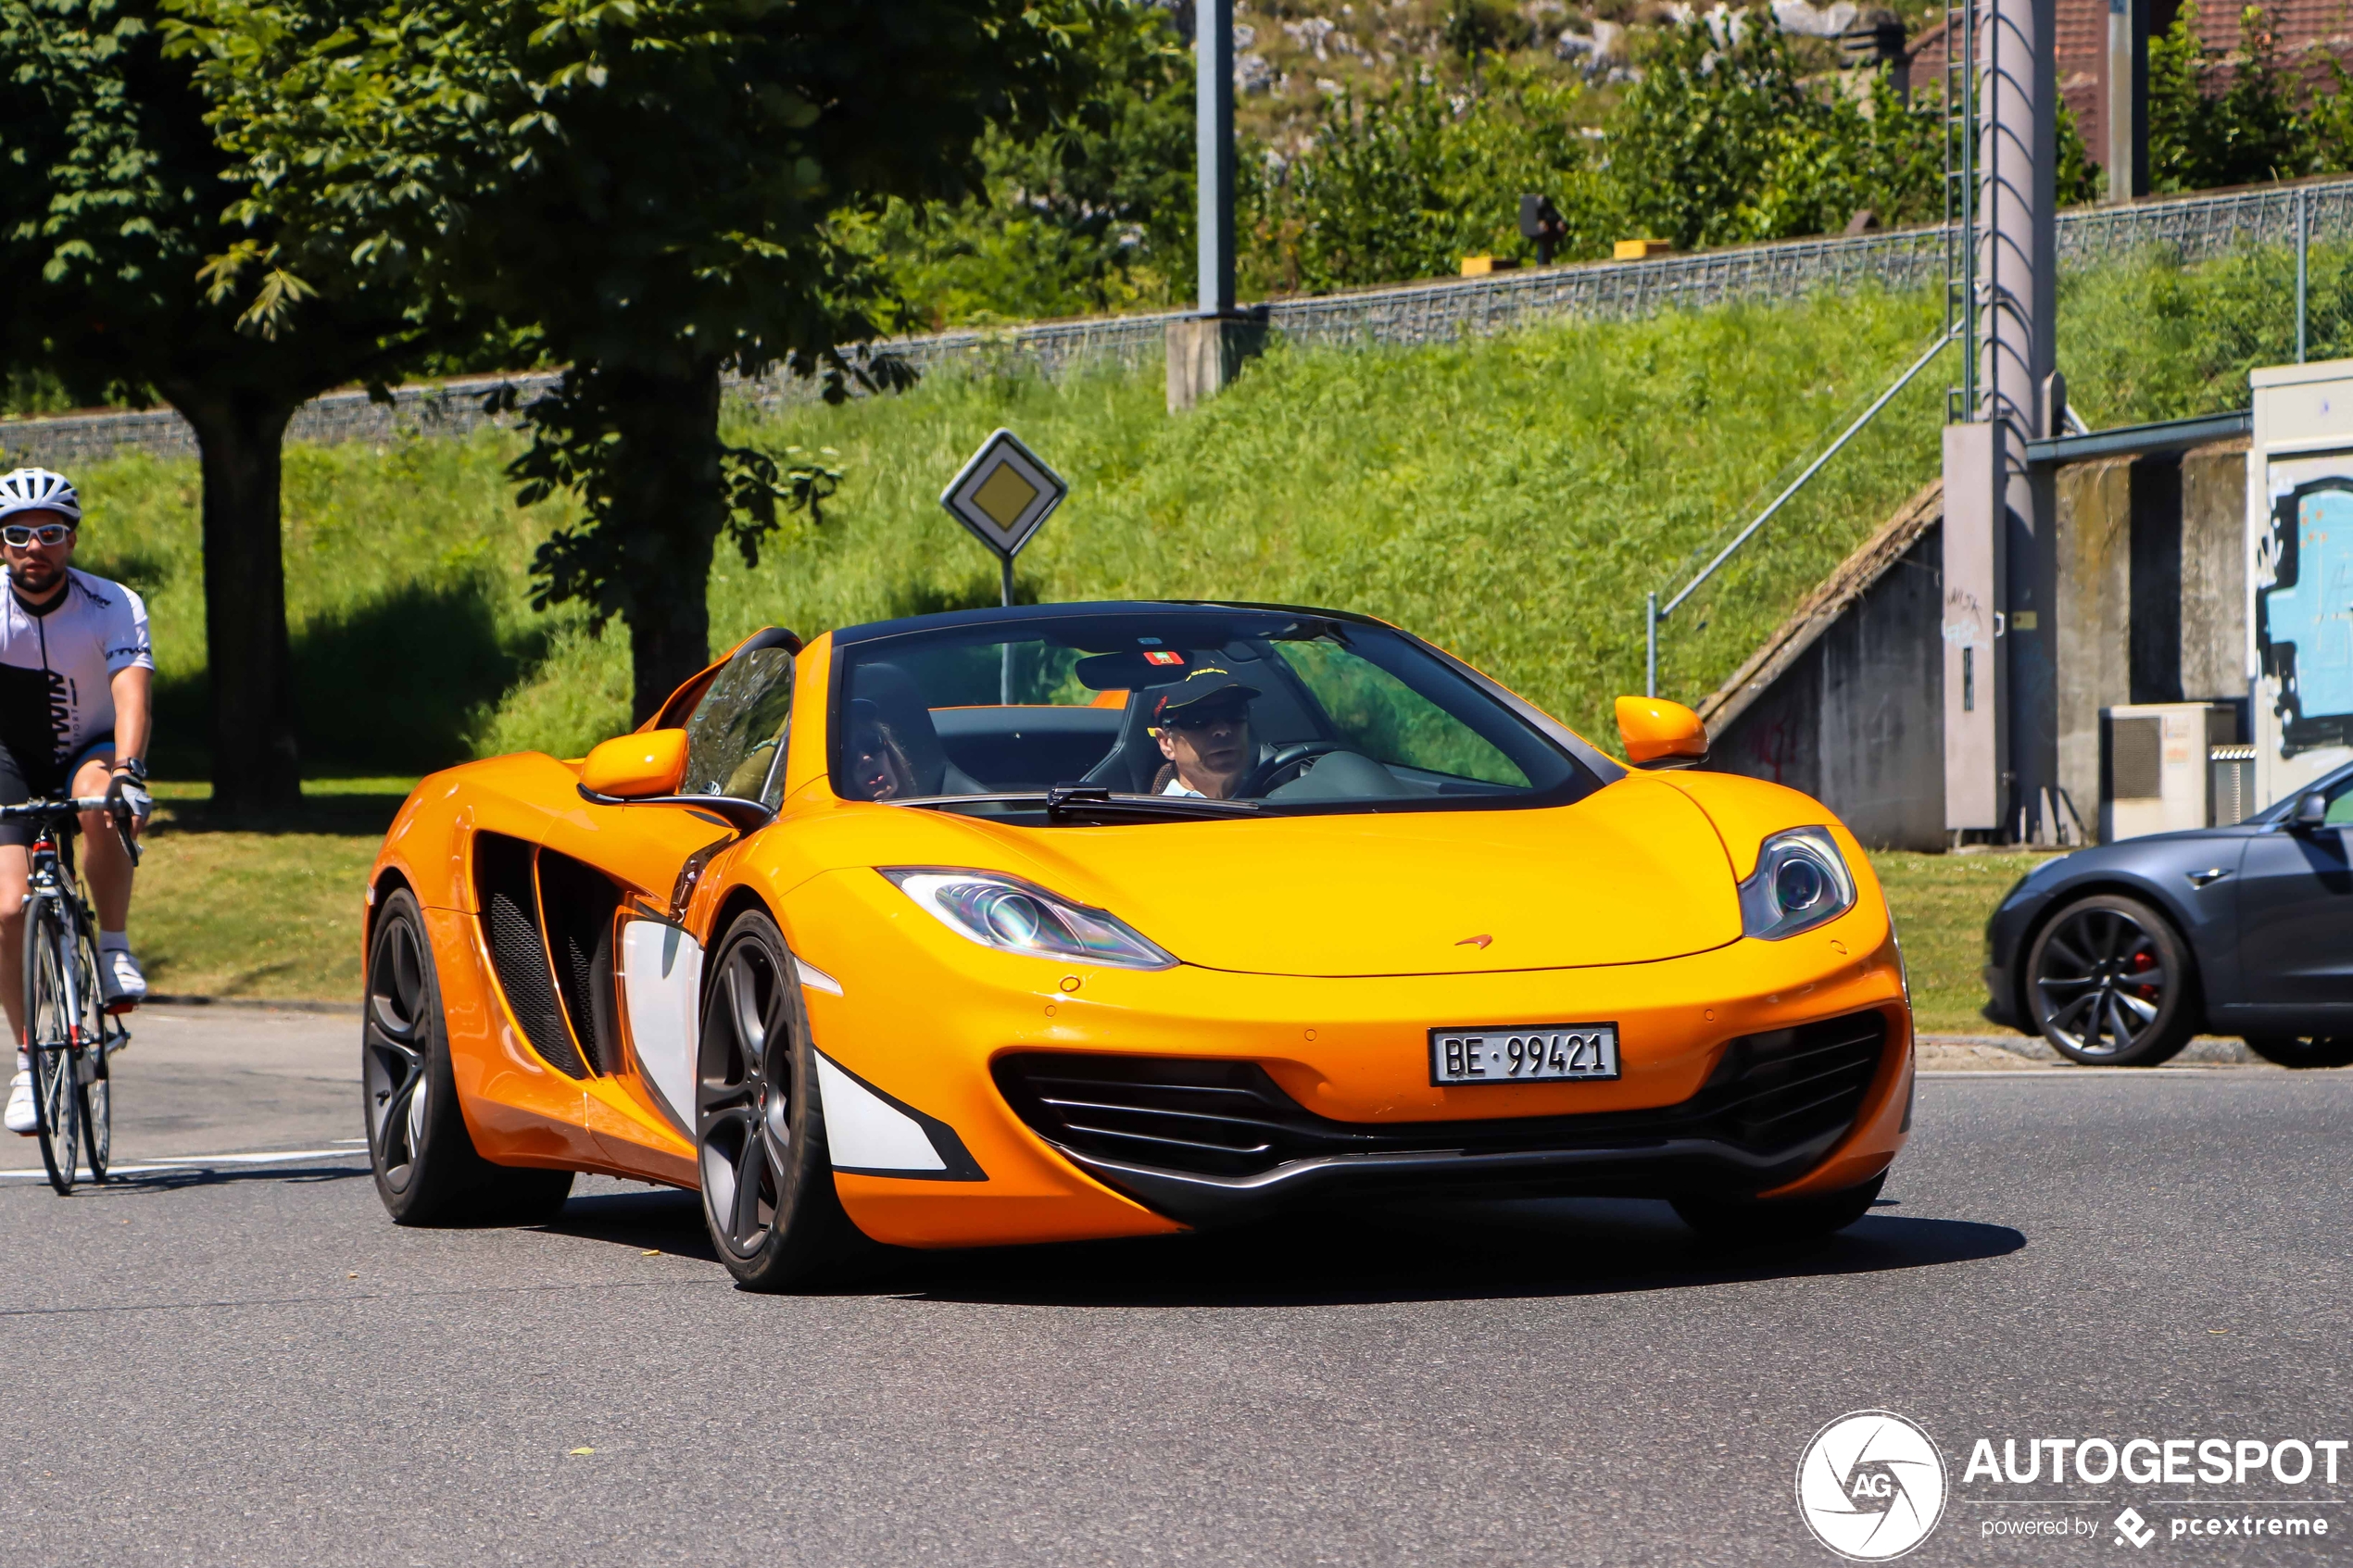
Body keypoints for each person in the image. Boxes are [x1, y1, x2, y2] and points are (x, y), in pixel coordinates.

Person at [0, 469, 154, 1137]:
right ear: (1, 544)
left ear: (72, 538)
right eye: (18, 533)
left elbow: (130, 691)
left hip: (88, 745)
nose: (36, 545)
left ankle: (115, 946)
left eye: (51, 532)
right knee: (6, 907)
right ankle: (29, 1062)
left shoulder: (113, 602)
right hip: (9, 756)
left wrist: (130, 770)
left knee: (100, 801)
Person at [1149, 666, 1263, 799]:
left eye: (1234, 712)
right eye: (1198, 718)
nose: (1222, 730)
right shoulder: (1151, 818)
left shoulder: (1281, 801)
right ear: (1166, 743)